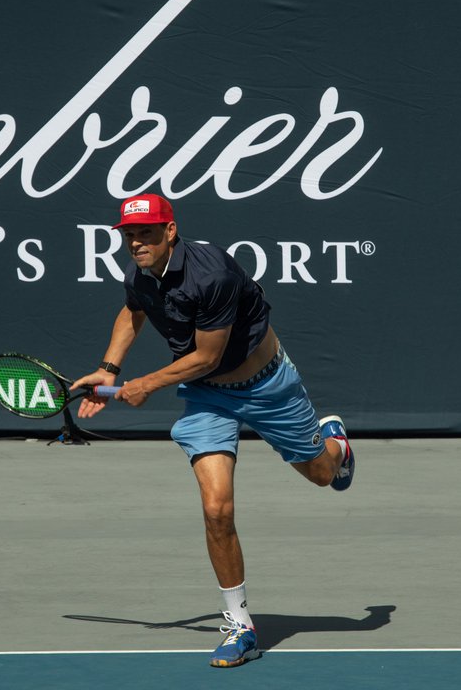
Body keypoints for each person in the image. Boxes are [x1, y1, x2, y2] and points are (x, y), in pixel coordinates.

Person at [70, 193, 355, 669]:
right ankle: (240, 625)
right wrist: (108, 368)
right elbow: (133, 311)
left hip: (268, 386)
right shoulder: (139, 273)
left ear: (170, 231)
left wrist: (143, 384)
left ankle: (337, 446)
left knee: (323, 475)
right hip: (206, 397)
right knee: (216, 508)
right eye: (129, 234)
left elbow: (208, 355)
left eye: (146, 233)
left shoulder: (213, 273)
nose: (136, 243)